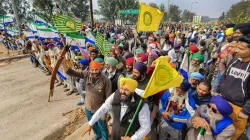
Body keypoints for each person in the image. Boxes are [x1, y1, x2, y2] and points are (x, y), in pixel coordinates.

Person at [82, 78, 151, 140]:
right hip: (115, 134)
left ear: (132, 91)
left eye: (126, 90)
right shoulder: (115, 95)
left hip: (128, 136)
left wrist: (132, 138)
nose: (122, 92)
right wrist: (91, 123)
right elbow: (104, 107)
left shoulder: (141, 105)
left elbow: (146, 127)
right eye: (122, 88)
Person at [62, 61, 112, 140]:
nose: (94, 72)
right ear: (90, 69)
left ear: (100, 69)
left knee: (102, 125)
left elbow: (108, 98)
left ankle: (104, 137)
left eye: (96, 70)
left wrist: (105, 113)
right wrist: (63, 63)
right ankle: (98, 134)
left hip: (100, 109)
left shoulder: (106, 81)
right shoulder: (86, 75)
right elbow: (71, 72)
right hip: (88, 106)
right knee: (92, 123)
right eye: (92, 70)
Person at [220, 34, 250, 138]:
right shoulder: (234, 61)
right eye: (236, 47)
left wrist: (246, 110)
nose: (236, 50)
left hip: (239, 109)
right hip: (224, 103)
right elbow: (224, 77)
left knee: (232, 135)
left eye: (241, 48)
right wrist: (220, 91)